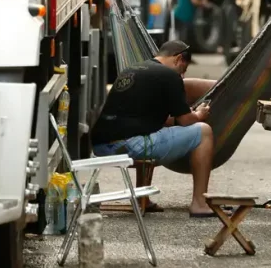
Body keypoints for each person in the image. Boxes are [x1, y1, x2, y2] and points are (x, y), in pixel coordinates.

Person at [91, 40, 216, 217]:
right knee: (203, 132)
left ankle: (142, 198)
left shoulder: (132, 70)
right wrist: (199, 114)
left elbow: (154, 120)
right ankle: (199, 203)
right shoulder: (170, 76)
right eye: (183, 69)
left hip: (101, 147)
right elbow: (186, 121)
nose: (182, 76)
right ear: (178, 59)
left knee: (150, 133)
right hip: (130, 147)